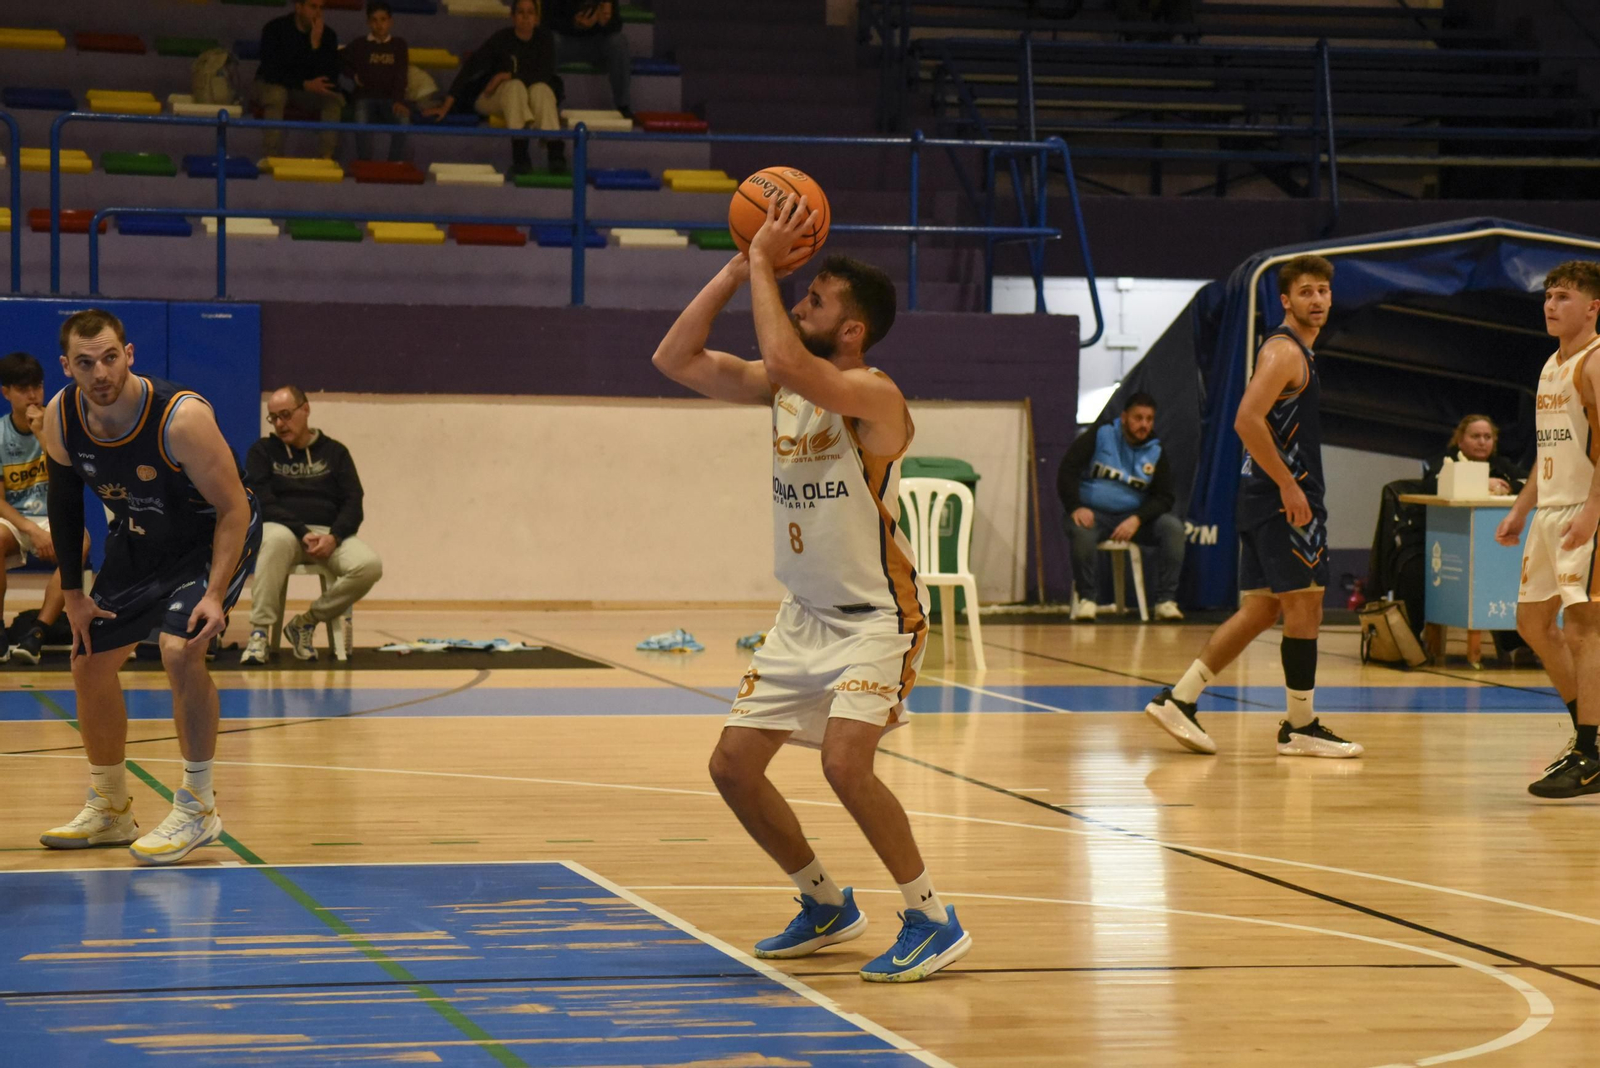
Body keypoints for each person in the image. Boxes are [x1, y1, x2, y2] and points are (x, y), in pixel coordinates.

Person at [651, 196, 972, 984]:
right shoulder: (787, 389)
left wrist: (763, 259)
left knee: (844, 763)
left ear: (852, 329)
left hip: (878, 619)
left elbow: (795, 362)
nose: (799, 304)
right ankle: (825, 902)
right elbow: (676, 358)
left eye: (816, 301)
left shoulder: (875, 397)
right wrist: (735, 267)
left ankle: (934, 917)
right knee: (732, 768)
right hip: (804, 617)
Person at [37, 309, 262, 865]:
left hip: (209, 538)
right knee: (88, 660)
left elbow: (234, 508)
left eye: (110, 357)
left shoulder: (179, 419)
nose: (100, 373)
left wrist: (214, 593)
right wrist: (72, 595)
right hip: (140, 538)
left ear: (130, 354)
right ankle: (111, 806)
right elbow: (64, 507)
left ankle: (198, 805)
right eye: (85, 363)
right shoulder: (60, 419)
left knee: (180, 649)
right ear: (67, 367)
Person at [1144, 255, 1363, 759]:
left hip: (1263, 497)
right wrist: (1289, 486)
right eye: (1306, 292)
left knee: (1263, 608)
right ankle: (1301, 725)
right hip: (1282, 497)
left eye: (1323, 292)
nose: (1317, 300)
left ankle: (1180, 698)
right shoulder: (1284, 352)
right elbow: (1246, 419)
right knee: (1306, 604)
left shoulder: (1294, 352)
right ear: (1285, 300)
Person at [1497, 261, 1600, 797]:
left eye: (1563, 297)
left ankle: (1590, 748)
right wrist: (1521, 507)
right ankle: (1591, 736)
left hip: (1587, 509)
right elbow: (1549, 448)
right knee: (1532, 623)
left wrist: (1592, 510)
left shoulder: (1595, 361)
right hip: (1550, 511)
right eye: (1548, 297)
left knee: (1586, 628)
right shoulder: (1549, 366)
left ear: (1593, 307)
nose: (1551, 306)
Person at [241, 386, 381, 664]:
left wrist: (335, 537)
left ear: (305, 409)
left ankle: (305, 622)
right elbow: (262, 501)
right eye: (274, 418)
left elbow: (354, 501)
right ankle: (259, 634)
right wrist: (302, 532)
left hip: (328, 535)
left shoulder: (335, 452)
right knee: (273, 540)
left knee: (369, 566)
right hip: (285, 532)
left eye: (286, 415)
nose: (280, 424)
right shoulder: (262, 452)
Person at [1057, 391, 1186, 622]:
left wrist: (1137, 518)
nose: (1144, 424)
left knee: (1173, 528)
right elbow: (1067, 470)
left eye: (1149, 419)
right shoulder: (1101, 434)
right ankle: (1087, 600)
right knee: (1082, 533)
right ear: (1125, 417)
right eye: (1138, 418)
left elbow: (1165, 497)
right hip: (1093, 514)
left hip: (1132, 518)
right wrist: (1075, 506)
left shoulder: (1156, 450)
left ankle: (1165, 601)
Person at [425, 0, 565, 175]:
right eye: (520, 12)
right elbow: (470, 68)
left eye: (530, 13)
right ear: (512, 17)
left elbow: (545, 73)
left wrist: (506, 75)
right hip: (492, 97)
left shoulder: (544, 39)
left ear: (536, 18)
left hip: (530, 98)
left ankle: (556, 155)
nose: (526, 17)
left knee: (542, 89)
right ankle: (520, 156)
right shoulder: (501, 39)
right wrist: (446, 105)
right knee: (515, 87)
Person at [0, 352, 76, 665]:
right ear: (6, 393)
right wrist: (30, 529)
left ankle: (38, 633)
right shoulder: (0, 434)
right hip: (17, 520)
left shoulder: (59, 424)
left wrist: (41, 433)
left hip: (53, 516)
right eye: (23, 388)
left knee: (80, 543)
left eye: (37, 386)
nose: (32, 395)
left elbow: (71, 475)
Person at [255, 0, 344, 160]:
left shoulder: (328, 35)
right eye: (313, 6)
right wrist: (303, 83)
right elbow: (271, 71)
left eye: (320, 8)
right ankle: (271, 156)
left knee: (333, 100)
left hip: (304, 90)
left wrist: (315, 45)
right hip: (273, 83)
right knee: (277, 94)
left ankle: (326, 158)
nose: (318, 13)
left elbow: (330, 75)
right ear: (298, 7)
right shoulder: (275, 28)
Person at [343, 0, 410, 163]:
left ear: (390, 21)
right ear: (368, 22)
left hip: (390, 100)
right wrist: (353, 75)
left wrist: (398, 100)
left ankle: (394, 164)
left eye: (383, 19)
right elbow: (338, 60)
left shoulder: (399, 45)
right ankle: (365, 163)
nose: (379, 24)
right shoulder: (359, 44)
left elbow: (401, 75)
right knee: (361, 122)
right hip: (364, 98)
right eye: (374, 20)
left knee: (403, 121)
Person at [549, 0, 631, 118]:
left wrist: (603, 22)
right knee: (551, 41)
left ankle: (623, 106)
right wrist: (574, 23)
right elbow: (549, 21)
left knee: (619, 42)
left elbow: (617, 24)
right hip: (566, 41)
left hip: (596, 44)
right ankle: (549, 102)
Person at [1422, 414, 1525, 496]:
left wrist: (1509, 487)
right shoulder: (1448, 460)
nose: (1482, 442)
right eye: (1475, 436)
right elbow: (1430, 485)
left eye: (1487, 437)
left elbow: (1532, 482)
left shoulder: (1499, 463)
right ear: (1460, 441)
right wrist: (1483, 484)